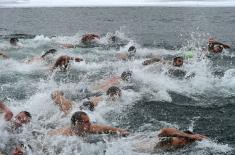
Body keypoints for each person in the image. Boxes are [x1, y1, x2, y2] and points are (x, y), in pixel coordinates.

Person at [48, 111, 129, 137]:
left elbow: (109, 129)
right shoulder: (64, 135)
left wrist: (123, 131)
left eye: (88, 121)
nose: (89, 124)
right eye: (86, 122)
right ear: (77, 123)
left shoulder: (92, 128)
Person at [134, 128, 207, 153]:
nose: (183, 143)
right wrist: (189, 136)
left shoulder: (183, 144)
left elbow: (205, 139)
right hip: (136, 146)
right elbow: (167, 130)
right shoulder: (172, 138)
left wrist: (200, 137)